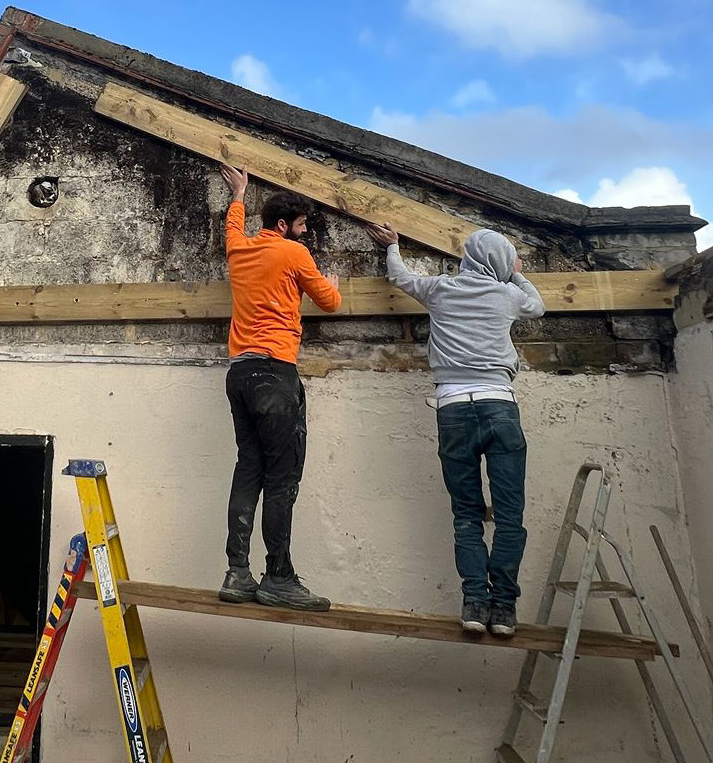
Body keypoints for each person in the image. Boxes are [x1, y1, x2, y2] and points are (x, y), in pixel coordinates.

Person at [367, 221, 545, 636]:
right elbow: (537, 305)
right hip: (500, 406)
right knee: (509, 515)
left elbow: (400, 277)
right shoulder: (508, 295)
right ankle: (503, 609)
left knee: (466, 514)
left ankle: (474, 603)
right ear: (498, 263)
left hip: (453, 410)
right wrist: (515, 271)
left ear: (467, 258)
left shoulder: (441, 289)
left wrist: (394, 244)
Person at [217, 163, 342, 610]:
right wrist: (330, 284)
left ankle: (237, 572)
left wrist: (238, 194)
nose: (305, 235)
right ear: (285, 225)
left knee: (248, 468)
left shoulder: (240, 250)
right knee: (283, 477)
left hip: (239, 374)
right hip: (276, 373)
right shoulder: (294, 254)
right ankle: (278, 577)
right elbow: (329, 302)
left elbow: (233, 228)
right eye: (303, 227)